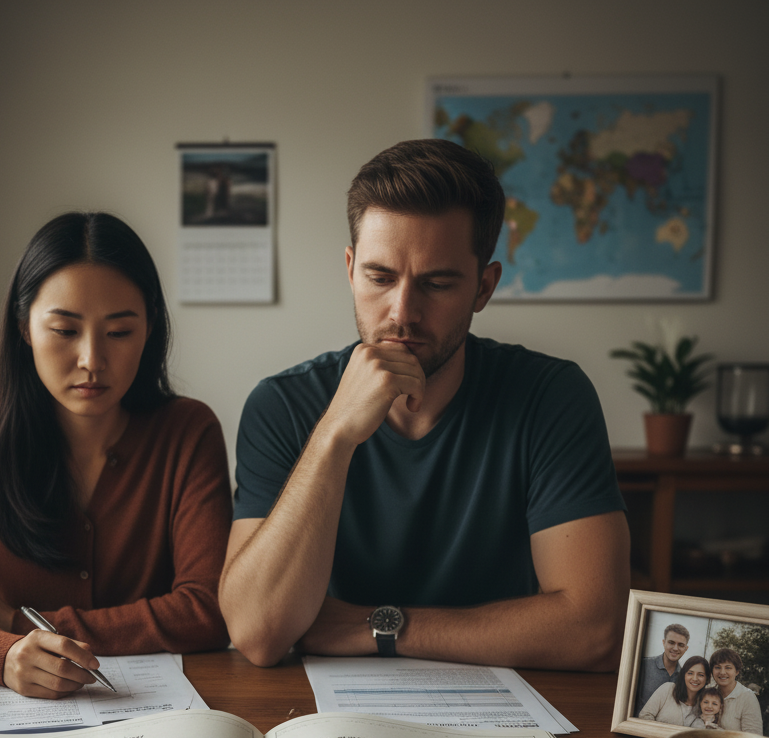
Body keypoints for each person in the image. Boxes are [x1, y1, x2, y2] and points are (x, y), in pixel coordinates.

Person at [220, 139, 630, 669]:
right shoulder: (283, 404)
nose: (403, 312)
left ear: (483, 288)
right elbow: (257, 634)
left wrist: (376, 626)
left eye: (436, 283)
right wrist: (335, 434)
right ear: (349, 269)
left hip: (512, 711)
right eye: (379, 277)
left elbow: (595, 629)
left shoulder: (551, 397)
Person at [0, 212, 232, 698]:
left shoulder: (188, 432)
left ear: (149, 331)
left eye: (119, 333)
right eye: (65, 330)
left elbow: (206, 609)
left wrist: (20, 621)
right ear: (24, 328)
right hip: (11, 719)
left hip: (158, 718)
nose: (91, 360)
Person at [637, 655, 709, 726]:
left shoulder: (706, 704)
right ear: (684, 675)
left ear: (706, 678)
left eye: (701, 675)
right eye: (690, 673)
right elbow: (645, 715)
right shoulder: (668, 688)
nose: (695, 678)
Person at [635, 623, 690, 710]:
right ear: (664, 643)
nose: (675, 648)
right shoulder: (643, 665)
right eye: (671, 643)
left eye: (680, 645)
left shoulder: (685, 677)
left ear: (686, 648)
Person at [708, 647, 763, 734]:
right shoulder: (709, 694)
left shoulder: (747, 697)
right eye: (717, 667)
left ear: (737, 671)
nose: (722, 672)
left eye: (728, 668)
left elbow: (753, 737)